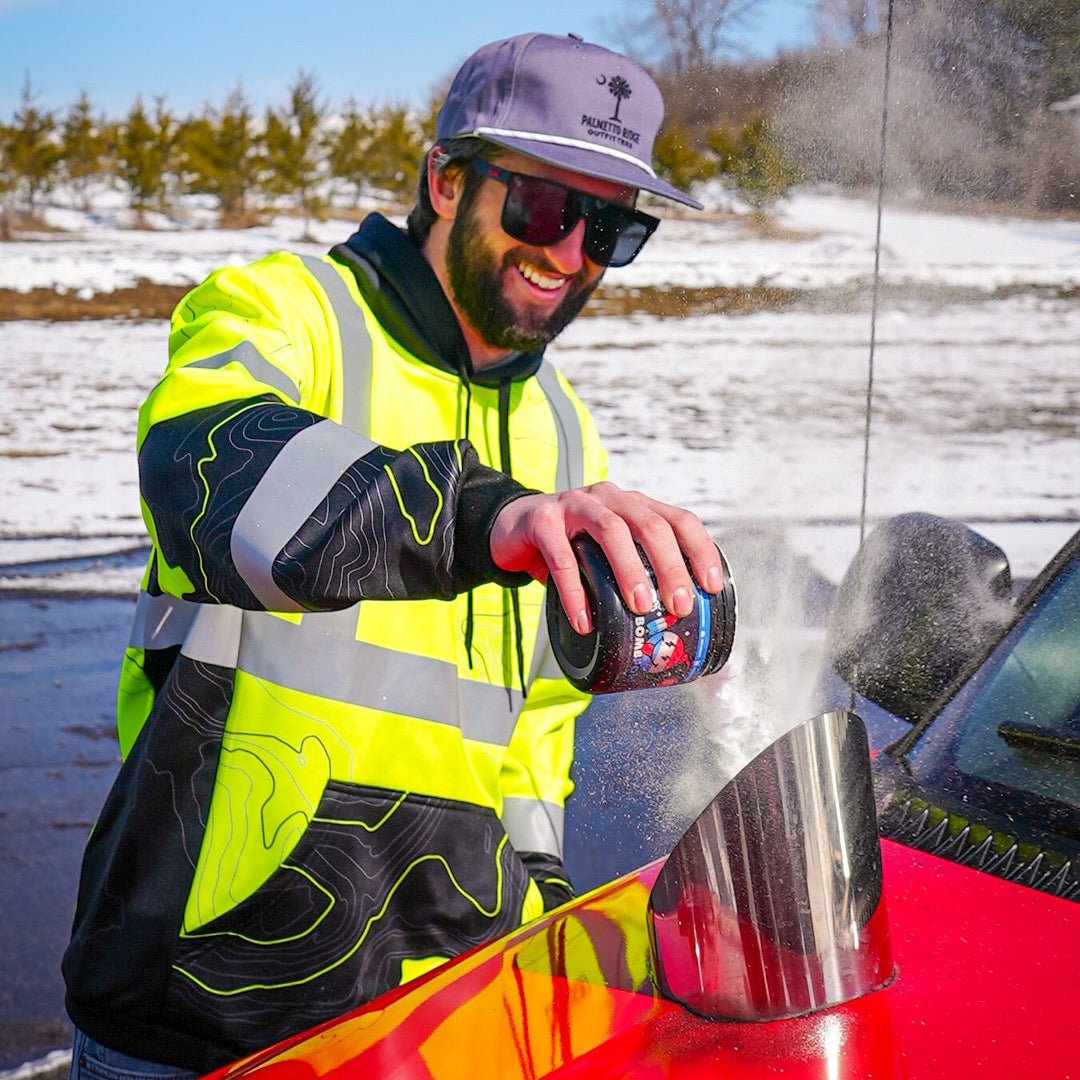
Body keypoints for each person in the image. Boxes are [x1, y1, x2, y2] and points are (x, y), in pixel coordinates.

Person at [62, 30, 721, 1077]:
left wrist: (537, 905)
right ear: (446, 181)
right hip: (198, 1011)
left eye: (611, 228)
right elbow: (213, 481)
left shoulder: (564, 432)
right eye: (543, 207)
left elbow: (536, 728)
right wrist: (481, 517)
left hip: (434, 1020)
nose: (569, 255)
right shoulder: (284, 311)